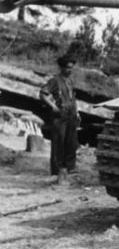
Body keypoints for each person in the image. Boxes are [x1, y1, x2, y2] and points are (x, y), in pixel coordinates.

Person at [39, 56, 80, 184]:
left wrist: (77, 112)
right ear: (62, 68)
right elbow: (43, 93)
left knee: (71, 142)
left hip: (71, 114)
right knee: (59, 143)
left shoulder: (71, 81)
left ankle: (68, 170)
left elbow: (73, 98)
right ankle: (58, 173)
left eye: (72, 68)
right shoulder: (55, 81)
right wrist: (53, 106)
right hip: (60, 114)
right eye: (68, 68)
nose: (70, 70)